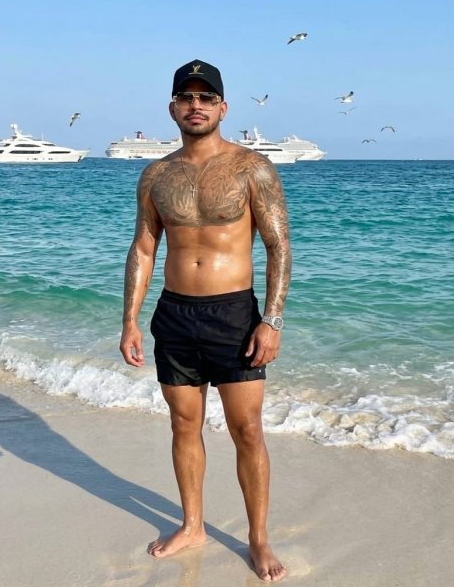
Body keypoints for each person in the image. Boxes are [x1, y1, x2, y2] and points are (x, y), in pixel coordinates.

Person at [119, 59, 291, 583]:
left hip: (234, 315)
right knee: (183, 424)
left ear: (223, 107)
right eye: (186, 97)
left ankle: (258, 538)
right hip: (174, 313)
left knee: (247, 430)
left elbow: (278, 245)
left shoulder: (252, 168)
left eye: (206, 97)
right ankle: (192, 525)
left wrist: (272, 319)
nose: (196, 105)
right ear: (172, 108)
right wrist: (130, 321)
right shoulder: (156, 175)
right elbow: (144, 247)